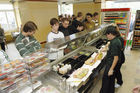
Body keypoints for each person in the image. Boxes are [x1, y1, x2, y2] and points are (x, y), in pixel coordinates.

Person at [100, 26, 122, 93]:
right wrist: (106, 49)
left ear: (110, 34)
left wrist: (111, 69)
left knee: (106, 81)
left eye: (107, 35)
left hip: (111, 63)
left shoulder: (114, 43)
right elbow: (113, 51)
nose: (107, 36)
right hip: (113, 63)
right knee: (111, 81)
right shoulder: (116, 39)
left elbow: (116, 58)